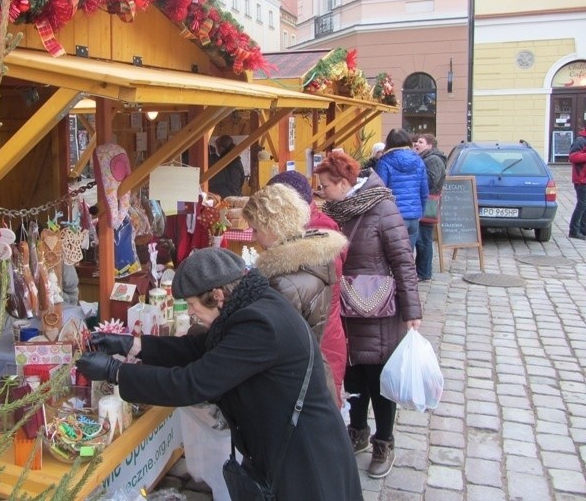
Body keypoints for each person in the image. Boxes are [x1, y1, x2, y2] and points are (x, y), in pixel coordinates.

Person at [76, 247, 363, 500]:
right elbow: (200, 348)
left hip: (306, 460)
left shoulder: (259, 324)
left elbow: (192, 383)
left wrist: (115, 372)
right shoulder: (250, 307)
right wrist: (132, 345)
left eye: (192, 306)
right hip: (285, 448)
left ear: (216, 295)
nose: (192, 314)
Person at [315, 153, 422, 479]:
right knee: (353, 377)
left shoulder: (382, 207)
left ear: (344, 183)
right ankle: (357, 431)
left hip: (378, 311)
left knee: (379, 381)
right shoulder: (334, 210)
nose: (320, 192)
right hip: (343, 311)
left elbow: (403, 260)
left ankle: (384, 441)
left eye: (325, 186)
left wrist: (412, 311)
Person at [261, 171, 348, 406]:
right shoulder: (309, 228)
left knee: (322, 409)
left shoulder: (314, 234)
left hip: (321, 339)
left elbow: (304, 295)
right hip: (323, 334)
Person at [375, 128, 428, 249]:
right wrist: (420, 212)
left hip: (393, 216)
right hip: (414, 215)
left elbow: (380, 192)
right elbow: (424, 192)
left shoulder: (384, 162)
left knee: (393, 255)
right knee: (408, 256)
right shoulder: (418, 160)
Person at [414, 134, 447, 280]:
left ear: (430, 145)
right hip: (424, 202)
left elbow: (430, 182)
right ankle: (422, 271)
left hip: (428, 203)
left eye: (420, 142)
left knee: (423, 239)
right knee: (422, 239)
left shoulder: (433, 159)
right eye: (416, 141)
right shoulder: (427, 158)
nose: (416, 144)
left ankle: (424, 272)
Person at [568, 122, 586, 240]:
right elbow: (572, 157)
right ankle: (574, 230)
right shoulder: (581, 140)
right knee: (582, 204)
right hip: (581, 179)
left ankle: (583, 230)